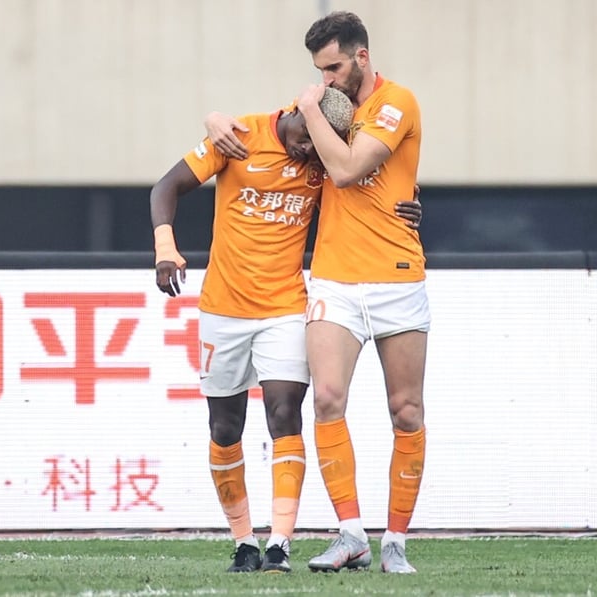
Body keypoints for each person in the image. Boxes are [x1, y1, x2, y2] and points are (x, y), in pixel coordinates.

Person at [150, 88, 421, 574]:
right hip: (223, 308)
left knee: (284, 413)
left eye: (317, 148)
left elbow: (374, 193)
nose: (306, 153)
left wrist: (411, 206)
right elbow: (164, 189)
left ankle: (278, 544)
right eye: (304, 140)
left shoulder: (324, 162)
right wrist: (165, 247)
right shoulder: (238, 136)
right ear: (296, 112)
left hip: (285, 307)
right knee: (224, 427)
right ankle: (243, 543)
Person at [203, 11, 428, 574]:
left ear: (362, 57)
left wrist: (307, 106)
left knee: (406, 410)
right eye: (318, 72)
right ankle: (350, 533)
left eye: (333, 67)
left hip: (398, 276)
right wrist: (213, 122)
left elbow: (350, 169)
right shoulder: (328, 111)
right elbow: (270, 132)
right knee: (326, 399)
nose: (326, 79)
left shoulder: (396, 102)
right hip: (332, 278)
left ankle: (395, 540)